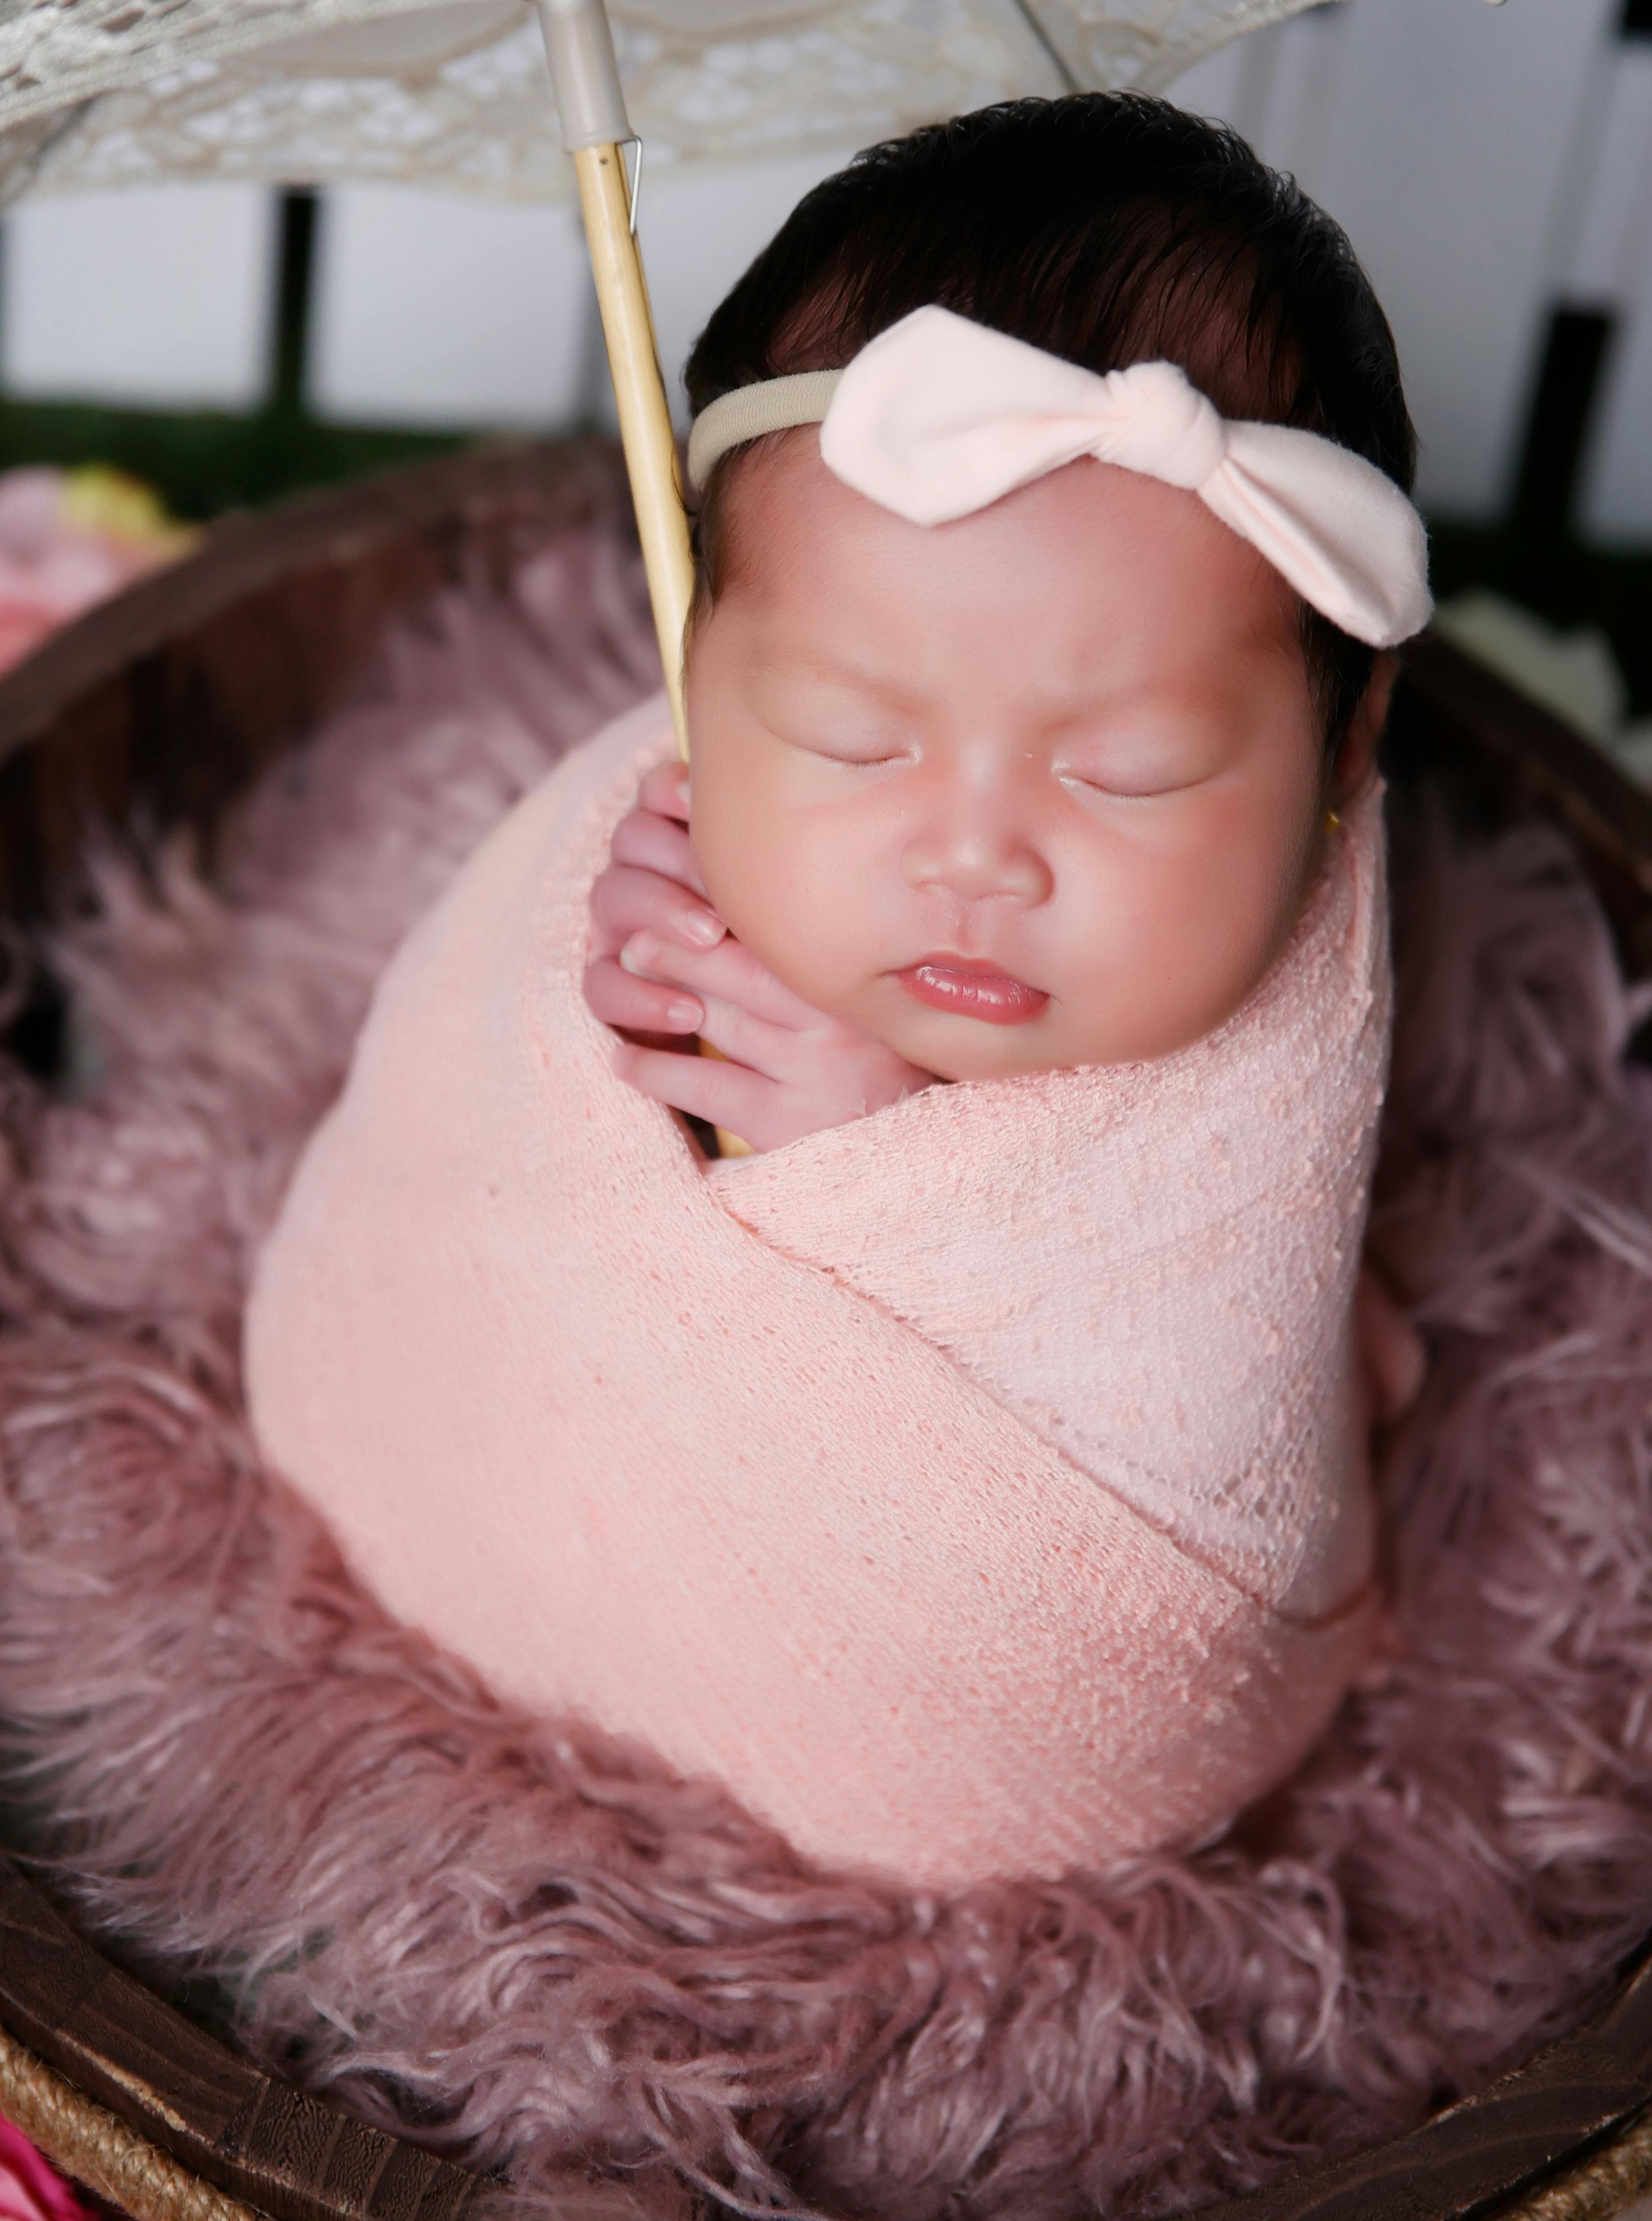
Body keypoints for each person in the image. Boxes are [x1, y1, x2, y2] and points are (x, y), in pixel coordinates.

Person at [245, 96, 1431, 1888]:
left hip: (974, 1724)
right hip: (495, 1459)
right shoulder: (687, 783)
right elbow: (487, 1097)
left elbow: (1189, 1395)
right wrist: (632, 947)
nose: (973, 856)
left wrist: (888, 1174)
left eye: (1126, 770)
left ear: (1348, 746)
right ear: (701, 656)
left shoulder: (1270, 1045)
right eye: (843, 734)